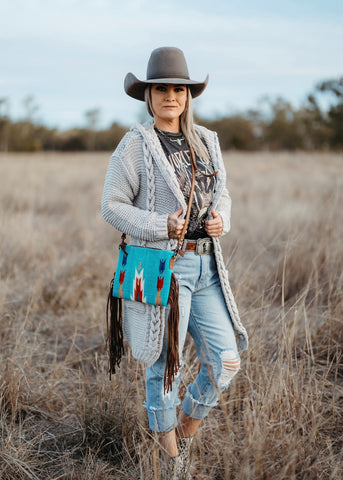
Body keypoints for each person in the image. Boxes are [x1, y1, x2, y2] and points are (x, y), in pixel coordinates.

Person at [102, 47, 248, 479]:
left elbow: (222, 193)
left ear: (188, 94)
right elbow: (111, 206)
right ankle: (170, 461)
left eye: (178, 88)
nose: (171, 96)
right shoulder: (136, 144)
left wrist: (223, 217)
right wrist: (160, 224)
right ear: (148, 96)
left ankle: (182, 428)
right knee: (166, 364)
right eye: (161, 88)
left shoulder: (208, 140)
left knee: (226, 359)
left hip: (207, 267)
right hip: (162, 268)